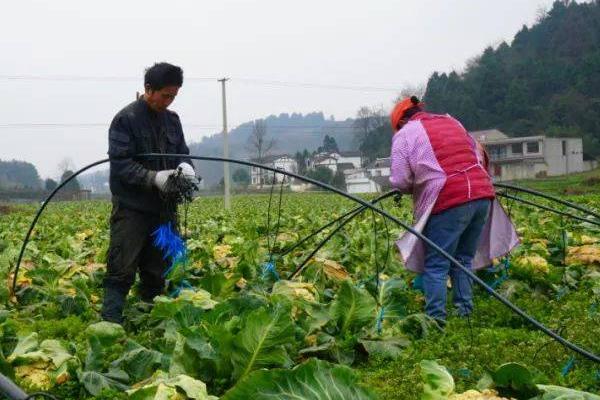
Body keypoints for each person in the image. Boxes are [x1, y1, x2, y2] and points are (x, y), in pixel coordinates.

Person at [389, 96, 518, 325]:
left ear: (400, 122)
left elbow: (400, 180)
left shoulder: (405, 134)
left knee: (437, 263)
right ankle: (464, 313)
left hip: (449, 199)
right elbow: (477, 153)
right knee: (463, 259)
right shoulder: (452, 122)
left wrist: (413, 187)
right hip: (482, 194)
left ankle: (436, 320)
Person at [102, 62, 197, 323]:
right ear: (148, 89)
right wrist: (153, 178)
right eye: (165, 95)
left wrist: (186, 168)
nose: (168, 101)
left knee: (158, 269)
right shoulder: (126, 120)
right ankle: (110, 324)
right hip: (132, 208)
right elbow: (121, 164)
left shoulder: (173, 121)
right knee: (121, 267)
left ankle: (150, 321)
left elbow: (182, 153)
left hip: (164, 210)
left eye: (173, 96)